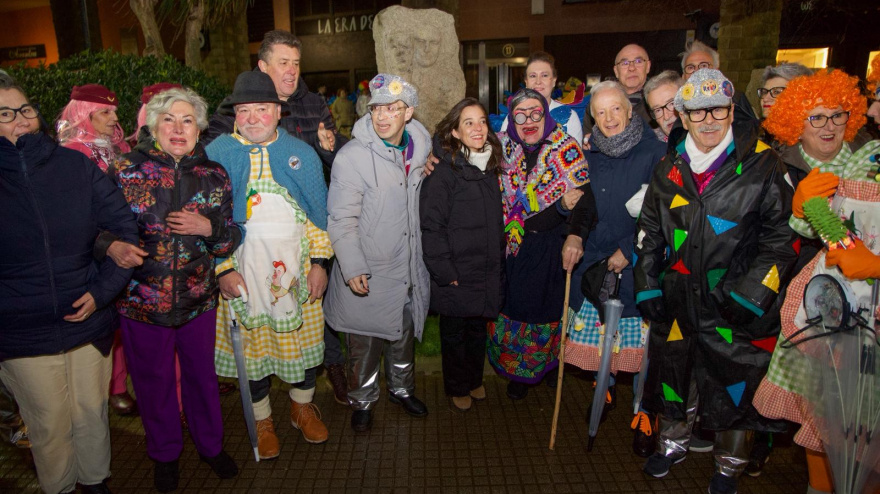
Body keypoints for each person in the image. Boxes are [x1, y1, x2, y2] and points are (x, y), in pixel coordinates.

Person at [634, 69, 797, 494]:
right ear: (683, 117)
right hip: (677, 301)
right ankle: (671, 442)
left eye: (718, 110)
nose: (709, 120)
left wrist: (751, 295)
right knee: (675, 375)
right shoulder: (669, 166)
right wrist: (648, 284)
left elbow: (782, 240)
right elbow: (649, 232)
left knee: (733, 387)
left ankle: (729, 466)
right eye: (698, 112)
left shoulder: (763, 163)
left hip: (734, 305)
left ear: (731, 110)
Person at [0, 80, 138, 494]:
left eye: (25, 109)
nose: (20, 119)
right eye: (5, 113)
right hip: (23, 330)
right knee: (49, 425)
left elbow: (123, 229)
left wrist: (103, 292)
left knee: (91, 415)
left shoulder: (74, 166)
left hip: (88, 320)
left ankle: (96, 484)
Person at [752, 69, 878, 494]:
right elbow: (807, 233)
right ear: (795, 123)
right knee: (820, 411)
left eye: (837, 116)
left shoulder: (869, 161)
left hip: (868, 311)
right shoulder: (779, 162)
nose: (829, 126)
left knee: (864, 420)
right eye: (816, 117)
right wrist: (804, 209)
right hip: (821, 303)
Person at [114, 87, 241, 492]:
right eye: (169, 119)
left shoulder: (214, 174)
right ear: (153, 126)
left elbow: (227, 241)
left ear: (199, 128)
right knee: (153, 385)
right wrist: (111, 245)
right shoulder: (125, 171)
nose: (178, 128)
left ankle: (210, 447)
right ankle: (165, 454)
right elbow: (95, 231)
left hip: (198, 301)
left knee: (202, 379)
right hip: (140, 302)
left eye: (187, 120)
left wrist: (210, 228)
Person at [205, 71, 332, 458]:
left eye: (262, 108)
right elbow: (207, 222)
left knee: (305, 346)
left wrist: (321, 263)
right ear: (235, 115)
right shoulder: (217, 156)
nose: (253, 117)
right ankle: (262, 418)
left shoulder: (302, 154)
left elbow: (319, 216)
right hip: (245, 278)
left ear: (278, 112)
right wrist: (223, 269)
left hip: (297, 275)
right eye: (244, 110)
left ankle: (301, 406)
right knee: (254, 355)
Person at [324, 74, 431, 433]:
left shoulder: (420, 150)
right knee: (363, 344)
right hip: (369, 268)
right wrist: (352, 265)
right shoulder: (352, 157)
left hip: (407, 266)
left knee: (402, 337)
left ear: (409, 113)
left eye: (393, 108)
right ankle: (363, 401)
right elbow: (341, 218)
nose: (382, 116)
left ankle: (402, 391)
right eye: (376, 109)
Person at [565, 80, 666, 456]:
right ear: (592, 117)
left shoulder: (655, 152)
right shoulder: (587, 156)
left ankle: (644, 414)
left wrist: (629, 249)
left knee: (641, 352)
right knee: (601, 342)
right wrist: (568, 210)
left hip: (638, 265)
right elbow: (583, 205)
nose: (609, 118)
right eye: (600, 112)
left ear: (629, 110)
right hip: (596, 266)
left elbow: (662, 212)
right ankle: (603, 387)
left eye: (616, 109)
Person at [489, 88, 596, 401]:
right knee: (512, 309)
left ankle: (547, 367)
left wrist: (574, 231)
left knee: (546, 311)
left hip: (549, 248)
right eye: (520, 115)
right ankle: (517, 375)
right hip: (512, 248)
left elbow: (585, 199)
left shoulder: (566, 147)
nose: (528, 121)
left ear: (545, 114)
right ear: (512, 118)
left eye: (536, 113)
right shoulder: (501, 148)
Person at [56, 84, 141, 418]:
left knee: (122, 319)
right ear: (83, 114)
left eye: (114, 110)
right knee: (105, 320)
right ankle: (114, 388)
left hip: (125, 239)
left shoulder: (118, 145)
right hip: (92, 248)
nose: (114, 116)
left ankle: (122, 381)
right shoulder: (71, 152)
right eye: (105, 111)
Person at [419, 98, 505, 413]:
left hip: (483, 266)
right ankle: (456, 385)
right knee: (454, 331)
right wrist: (445, 270)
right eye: (468, 122)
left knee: (477, 327)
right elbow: (432, 225)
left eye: (481, 121)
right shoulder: (444, 171)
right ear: (454, 131)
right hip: (455, 268)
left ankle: (473, 378)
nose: (477, 128)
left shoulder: (493, 164)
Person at [499, 52, 583, 146]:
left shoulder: (570, 116)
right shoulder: (513, 116)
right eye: (533, 76)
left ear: (554, 81)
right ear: (526, 82)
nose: (538, 82)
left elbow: (576, 156)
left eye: (544, 75)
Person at [679, 40, 758, 126]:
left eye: (704, 66)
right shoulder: (678, 106)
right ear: (683, 77)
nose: (697, 72)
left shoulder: (735, 102)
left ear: (717, 73)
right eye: (690, 68)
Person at [584, 44, 654, 138]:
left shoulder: (658, 100)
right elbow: (588, 138)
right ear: (616, 71)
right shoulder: (598, 101)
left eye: (638, 61)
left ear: (648, 66)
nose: (632, 68)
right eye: (624, 63)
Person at [644, 70, 684, 141]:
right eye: (658, 110)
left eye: (672, 104)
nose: (666, 117)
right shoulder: (650, 143)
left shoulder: (706, 134)